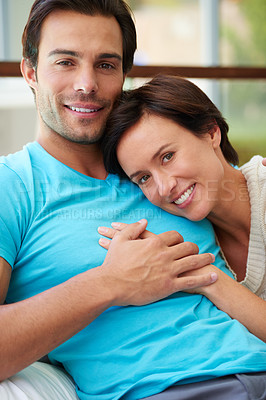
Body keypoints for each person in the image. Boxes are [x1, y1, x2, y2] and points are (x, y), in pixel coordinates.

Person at [0, 1, 266, 399]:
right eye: (65, 62)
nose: (86, 83)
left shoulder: (166, 178)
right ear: (30, 71)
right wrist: (109, 283)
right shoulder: (13, 187)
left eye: (106, 64)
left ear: (124, 75)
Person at [102, 73, 266, 340]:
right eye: (144, 178)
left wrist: (206, 278)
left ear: (211, 133)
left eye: (167, 156)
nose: (165, 187)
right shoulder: (199, 236)